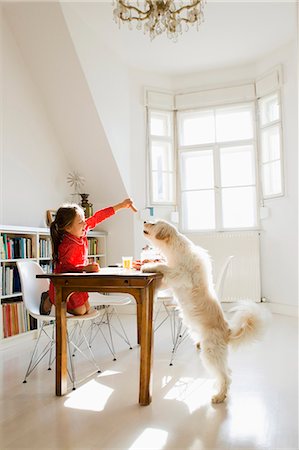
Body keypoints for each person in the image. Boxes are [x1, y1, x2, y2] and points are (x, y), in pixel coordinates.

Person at [40, 198, 137, 316]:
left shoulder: (81, 231)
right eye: (81, 222)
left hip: (78, 281)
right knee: (81, 311)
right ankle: (50, 297)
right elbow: (66, 268)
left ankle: (52, 297)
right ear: (68, 228)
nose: (85, 224)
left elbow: (98, 217)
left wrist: (121, 205)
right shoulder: (66, 245)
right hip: (65, 284)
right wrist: (84, 268)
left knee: (87, 308)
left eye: (84, 220)